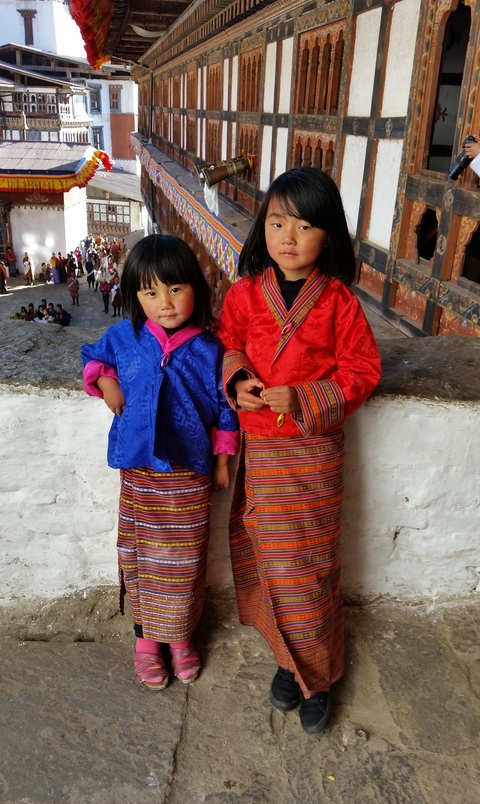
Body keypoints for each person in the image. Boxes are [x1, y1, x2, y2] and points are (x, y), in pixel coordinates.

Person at [216, 167, 382, 736]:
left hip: (313, 459)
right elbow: (227, 342)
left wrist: (304, 396)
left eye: (305, 225)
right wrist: (238, 380)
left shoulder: (339, 304)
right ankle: (290, 663)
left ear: (328, 235)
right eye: (277, 222)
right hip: (262, 454)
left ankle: (320, 676)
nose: (287, 237)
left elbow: (362, 371)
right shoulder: (244, 294)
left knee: (310, 570)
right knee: (274, 564)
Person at [81, 234, 239, 690]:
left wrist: (223, 461)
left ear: (195, 289)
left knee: (184, 561)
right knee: (141, 556)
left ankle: (180, 638)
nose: (164, 303)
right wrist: (106, 382)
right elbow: (93, 357)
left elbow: (225, 409)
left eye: (175, 289)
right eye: (150, 292)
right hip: (140, 470)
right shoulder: (124, 337)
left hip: (189, 472)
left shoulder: (210, 350)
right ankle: (147, 642)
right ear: (135, 296)